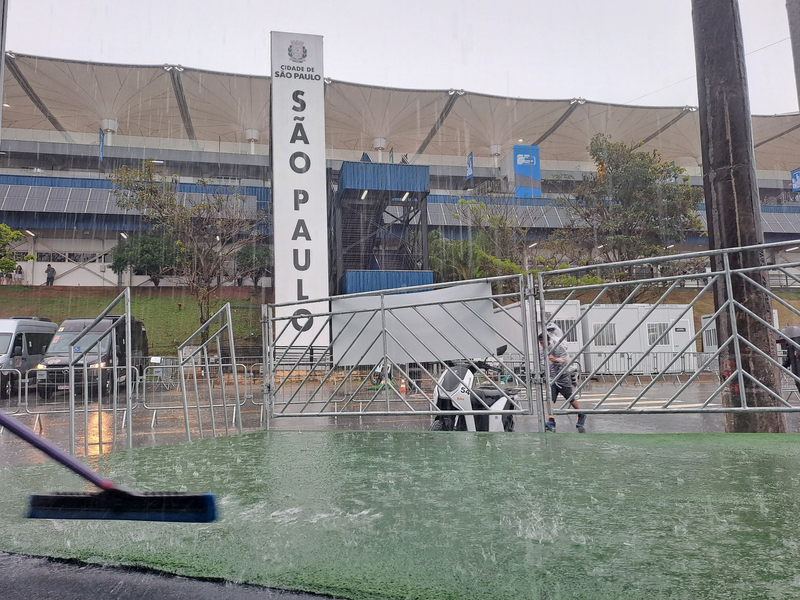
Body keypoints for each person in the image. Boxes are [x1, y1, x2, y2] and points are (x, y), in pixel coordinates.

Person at [539, 332, 586, 431]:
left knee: (569, 398)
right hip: (551, 379)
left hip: (562, 377)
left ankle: (581, 414)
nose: (542, 344)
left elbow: (566, 360)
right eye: (540, 342)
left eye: (543, 342)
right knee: (550, 399)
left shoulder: (556, 347)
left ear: (548, 340)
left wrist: (555, 359)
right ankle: (551, 420)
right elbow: (542, 363)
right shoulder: (541, 351)